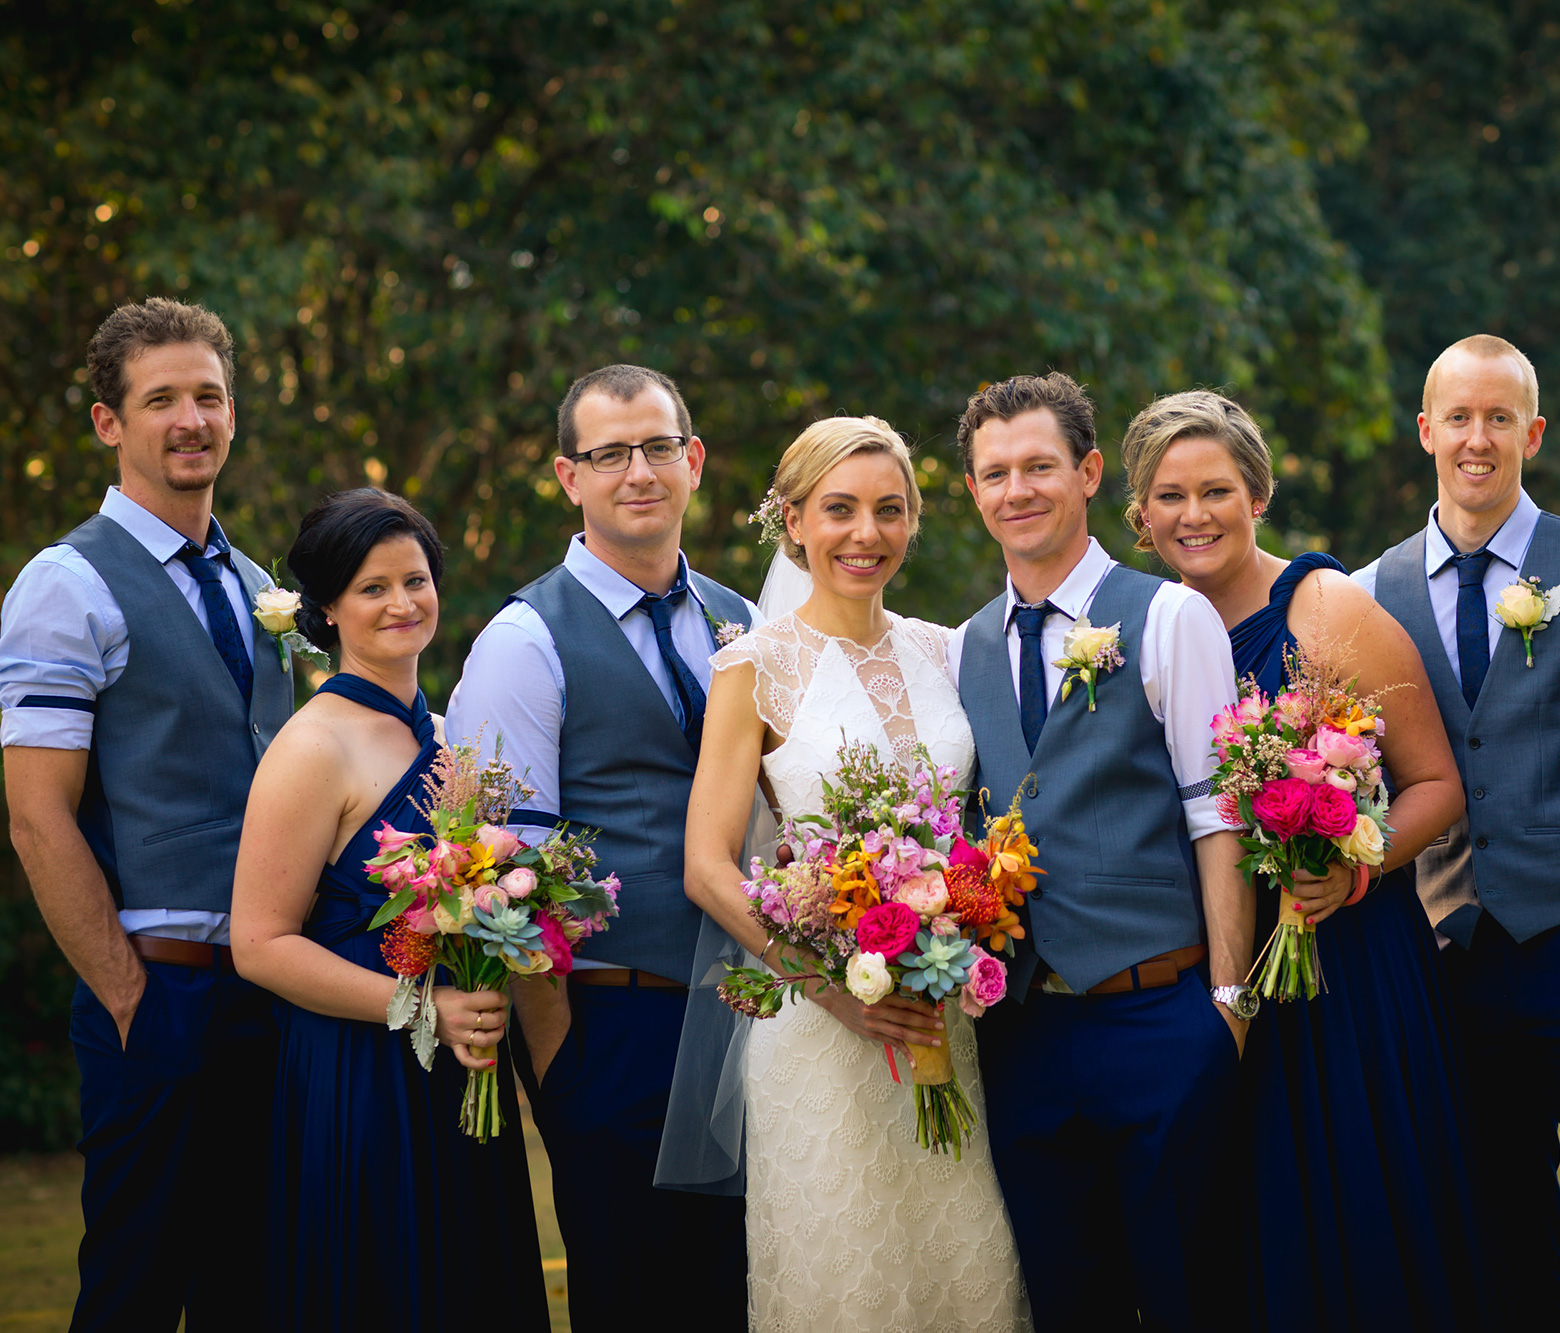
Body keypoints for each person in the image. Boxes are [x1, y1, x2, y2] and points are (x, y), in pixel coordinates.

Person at [1121, 388, 1483, 1330]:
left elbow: (1436, 785)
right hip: (1212, 968)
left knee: (1350, 1209)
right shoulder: (1142, 627)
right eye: (1170, 496)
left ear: (1259, 495)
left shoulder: (1323, 611)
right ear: (1139, 513)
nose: (1194, 515)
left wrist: (1353, 864)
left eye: (1217, 490)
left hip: (1346, 972)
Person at [1352, 335, 1560, 1331]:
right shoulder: (1373, 590)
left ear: (1530, 433)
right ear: (1424, 432)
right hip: (1451, 956)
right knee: (1499, 1230)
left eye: (1498, 418)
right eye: (1457, 417)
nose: (1476, 438)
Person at [675, 415, 1032, 1331]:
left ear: (914, 521)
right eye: (839, 509)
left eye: (889, 510)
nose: (865, 533)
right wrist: (831, 988)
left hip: (944, 1013)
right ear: (792, 520)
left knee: (967, 1267)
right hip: (822, 1032)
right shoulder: (751, 669)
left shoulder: (946, 650)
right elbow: (709, 867)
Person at [0, 298, 293, 1330]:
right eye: (160, 398)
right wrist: (128, 996)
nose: (190, 419)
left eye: (208, 396)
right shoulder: (65, 585)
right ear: (107, 424)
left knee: (252, 1293)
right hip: (157, 997)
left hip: (267, 1004)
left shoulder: (260, 587)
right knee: (133, 1288)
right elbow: (38, 819)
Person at [445, 365, 756, 1324]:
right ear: (568, 475)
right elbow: (505, 874)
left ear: (692, 460)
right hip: (614, 1026)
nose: (639, 471)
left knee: (741, 1290)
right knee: (635, 1293)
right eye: (609, 453)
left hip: (751, 1022)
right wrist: (565, 1065)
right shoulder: (524, 638)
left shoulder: (740, 621)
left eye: (658, 446)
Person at [947, 372, 1250, 1332]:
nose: (1016, 490)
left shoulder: (1169, 616)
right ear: (973, 491)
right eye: (994, 473)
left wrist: (1228, 1007)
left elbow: (1219, 818)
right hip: (1024, 1031)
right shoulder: (961, 649)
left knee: (1191, 1294)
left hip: (1159, 1016)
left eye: (1039, 466)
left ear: (1084, 472)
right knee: (1066, 1299)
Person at [229, 489, 547, 1328]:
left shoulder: (449, 738)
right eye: (373, 587)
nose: (403, 602)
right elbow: (259, 942)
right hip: (356, 1073)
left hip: (458, 1069)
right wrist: (422, 1007)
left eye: (416, 579)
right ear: (326, 608)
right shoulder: (312, 746)